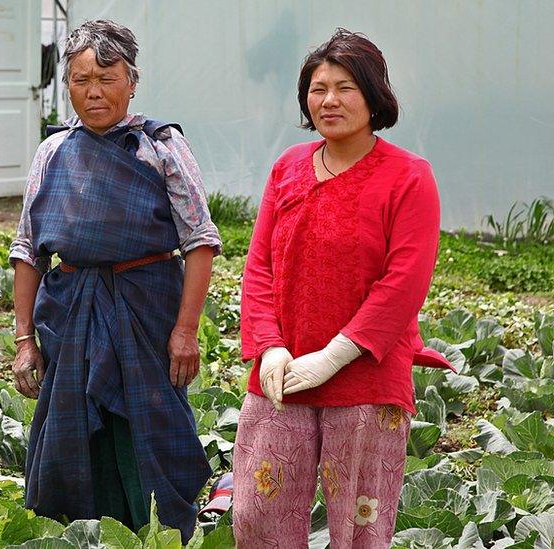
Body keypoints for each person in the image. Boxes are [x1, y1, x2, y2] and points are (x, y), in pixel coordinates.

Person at [233, 28, 453, 547]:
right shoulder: (287, 167)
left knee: (358, 530)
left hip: (366, 381)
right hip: (282, 378)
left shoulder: (409, 177)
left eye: (346, 87)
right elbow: (259, 265)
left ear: (375, 96)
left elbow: (404, 283)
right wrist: (267, 347)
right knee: (256, 516)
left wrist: (334, 356)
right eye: (318, 87)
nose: (329, 99)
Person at [9, 19, 222, 542]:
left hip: (147, 308)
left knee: (150, 422)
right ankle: (80, 528)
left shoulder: (161, 147)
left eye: (107, 77)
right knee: (73, 423)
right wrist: (23, 340)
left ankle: (156, 529)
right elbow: (27, 248)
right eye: (81, 80)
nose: (94, 92)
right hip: (72, 308)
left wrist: (187, 330)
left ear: (132, 80)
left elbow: (199, 240)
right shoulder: (53, 151)